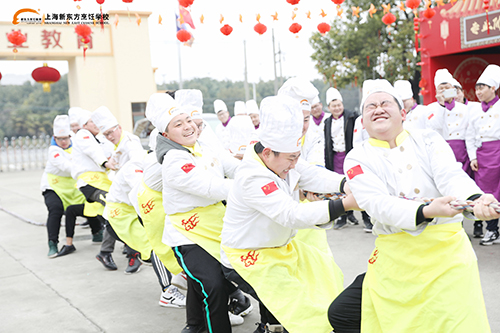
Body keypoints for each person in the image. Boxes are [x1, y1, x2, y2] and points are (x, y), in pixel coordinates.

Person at [329, 79, 497, 333]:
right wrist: (425, 211)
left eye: (386, 103)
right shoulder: (357, 157)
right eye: (370, 106)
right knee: (342, 314)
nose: (378, 108)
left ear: (403, 112)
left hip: (446, 257)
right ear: (362, 121)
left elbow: (450, 176)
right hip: (395, 261)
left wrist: (476, 199)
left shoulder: (428, 139)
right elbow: (377, 204)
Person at [221, 95, 360, 333]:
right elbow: (290, 214)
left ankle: (271, 326)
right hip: (247, 255)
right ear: (267, 153)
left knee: (324, 278)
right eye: (291, 158)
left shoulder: (283, 159)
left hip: (278, 249)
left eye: (297, 157)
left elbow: (312, 174)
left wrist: (346, 184)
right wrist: (345, 204)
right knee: (301, 308)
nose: (295, 163)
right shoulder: (252, 176)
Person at [148, 93, 250, 333]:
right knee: (213, 285)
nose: (188, 127)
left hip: (214, 225)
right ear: (166, 134)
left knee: (204, 281)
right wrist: (250, 189)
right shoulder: (173, 159)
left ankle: (194, 325)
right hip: (187, 233)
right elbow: (210, 187)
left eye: (188, 120)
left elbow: (232, 166)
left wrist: (258, 173)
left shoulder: (203, 146)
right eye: (178, 124)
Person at [91, 106, 144, 270]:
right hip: (122, 193)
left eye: (111, 132)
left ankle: (131, 255)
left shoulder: (130, 142)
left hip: (133, 191)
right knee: (114, 221)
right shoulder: (117, 144)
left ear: (119, 127)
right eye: (105, 135)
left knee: (126, 224)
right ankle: (116, 253)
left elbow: (137, 163)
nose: (109, 137)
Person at [41, 115, 93, 258]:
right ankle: (52, 243)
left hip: (72, 186)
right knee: (55, 210)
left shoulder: (76, 145)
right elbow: (67, 166)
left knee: (90, 204)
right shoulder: (54, 151)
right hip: (54, 186)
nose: (63, 142)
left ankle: (97, 232)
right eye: (60, 139)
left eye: (66, 138)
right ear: (54, 138)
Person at [466, 64, 500, 245]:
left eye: (482, 88)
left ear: (493, 88)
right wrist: (472, 157)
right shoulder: (474, 110)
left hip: (499, 152)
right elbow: (469, 135)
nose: (478, 92)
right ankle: (492, 229)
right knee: (487, 193)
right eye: (476, 88)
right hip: (483, 155)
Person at [323, 87, 360, 228]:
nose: (337, 108)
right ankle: (343, 216)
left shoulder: (352, 117)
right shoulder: (327, 122)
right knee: (340, 187)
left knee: (356, 183)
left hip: (350, 155)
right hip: (336, 157)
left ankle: (364, 217)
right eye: (334, 106)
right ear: (329, 107)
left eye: (339, 105)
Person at [426, 69, 473, 178]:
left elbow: (470, 133)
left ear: (453, 89)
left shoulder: (464, 109)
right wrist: (441, 107)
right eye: (441, 89)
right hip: (441, 151)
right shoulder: (430, 109)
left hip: (462, 152)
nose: (444, 91)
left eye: (447, 88)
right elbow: (435, 128)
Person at [278, 77, 325, 166]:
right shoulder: (264, 139)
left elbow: (316, 172)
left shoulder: (314, 139)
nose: (301, 126)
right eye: (296, 119)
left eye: (306, 120)